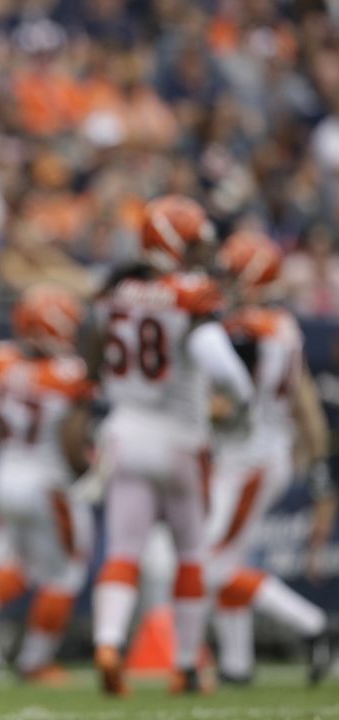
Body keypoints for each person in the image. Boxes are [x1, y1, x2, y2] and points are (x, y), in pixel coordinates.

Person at [88, 195, 254, 696]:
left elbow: (94, 354)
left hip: (122, 431)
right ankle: (184, 665)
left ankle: (109, 641)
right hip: (180, 436)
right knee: (190, 554)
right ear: (175, 242)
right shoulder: (189, 293)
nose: (205, 252)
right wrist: (242, 401)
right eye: (198, 242)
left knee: (123, 551)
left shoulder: (114, 290)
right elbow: (217, 360)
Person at [0, 284, 94, 685]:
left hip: (4, 476)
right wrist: (86, 471)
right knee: (66, 573)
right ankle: (35, 663)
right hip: (47, 480)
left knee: (23, 567)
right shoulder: (70, 374)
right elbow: (73, 443)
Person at [208, 231, 332, 686]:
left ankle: (315, 625)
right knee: (230, 559)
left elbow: (226, 405)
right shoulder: (284, 326)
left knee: (209, 566)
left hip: (248, 457)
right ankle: (237, 665)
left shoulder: (243, 331)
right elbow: (306, 406)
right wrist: (319, 472)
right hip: (267, 453)